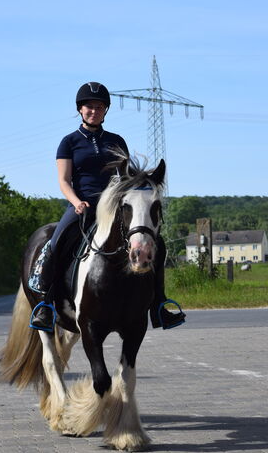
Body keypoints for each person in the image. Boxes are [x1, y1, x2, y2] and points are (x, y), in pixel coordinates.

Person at [29, 81, 185, 332]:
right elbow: (64, 180)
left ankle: (158, 305)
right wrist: (76, 201)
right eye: (89, 106)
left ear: (106, 110)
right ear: (80, 109)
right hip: (82, 205)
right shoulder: (68, 142)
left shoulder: (116, 140)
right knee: (56, 242)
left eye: (99, 106)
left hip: (114, 206)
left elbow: (126, 178)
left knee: (157, 243)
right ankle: (46, 305)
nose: (94, 110)